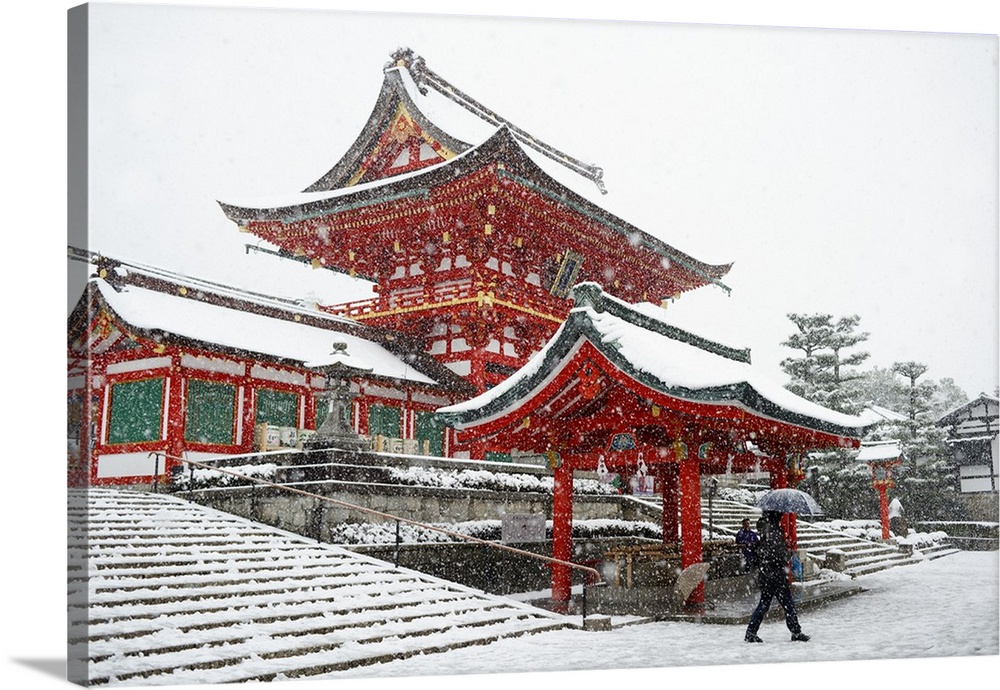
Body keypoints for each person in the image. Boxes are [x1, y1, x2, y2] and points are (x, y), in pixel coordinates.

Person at [744, 510, 810, 643]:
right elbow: (778, 556)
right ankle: (795, 631)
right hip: (776, 575)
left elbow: (764, 554)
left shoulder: (765, 532)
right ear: (776, 517)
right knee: (787, 604)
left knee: (764, 604)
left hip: (767, 574)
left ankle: (751, 631)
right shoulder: (774, 532)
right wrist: (788, 553)